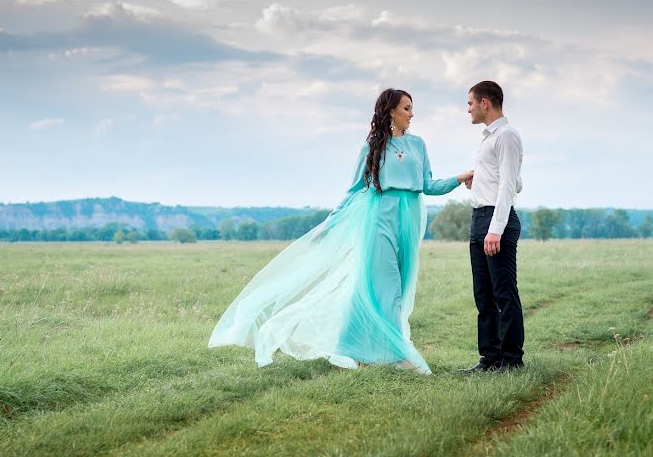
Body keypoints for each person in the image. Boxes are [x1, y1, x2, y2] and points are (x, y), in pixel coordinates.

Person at [210, 88, 473, 374]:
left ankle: (356, 350)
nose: (412, 113)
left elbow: (428, 185)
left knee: (393, 287)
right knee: (388, 289)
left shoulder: (418, 145)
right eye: (407, 108)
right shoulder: (371, 147)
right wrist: (330, 224)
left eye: (412, 108)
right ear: (391, 112)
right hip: (379, 220)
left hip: (408, 220)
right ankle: (399, 355)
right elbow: (354, 191)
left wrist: (460, 178)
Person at [460, 81, 525, 374]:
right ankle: (489, 359)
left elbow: (510, 185)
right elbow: (513, 180)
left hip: (496, 221)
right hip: (479, 218)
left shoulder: (507, 136)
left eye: (471, 103)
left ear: (485, 102)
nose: (469, 109)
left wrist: (496, 229)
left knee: (503, 293)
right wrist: (480, 181)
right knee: (483, 296)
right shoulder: (487, 137)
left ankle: (511, 361)